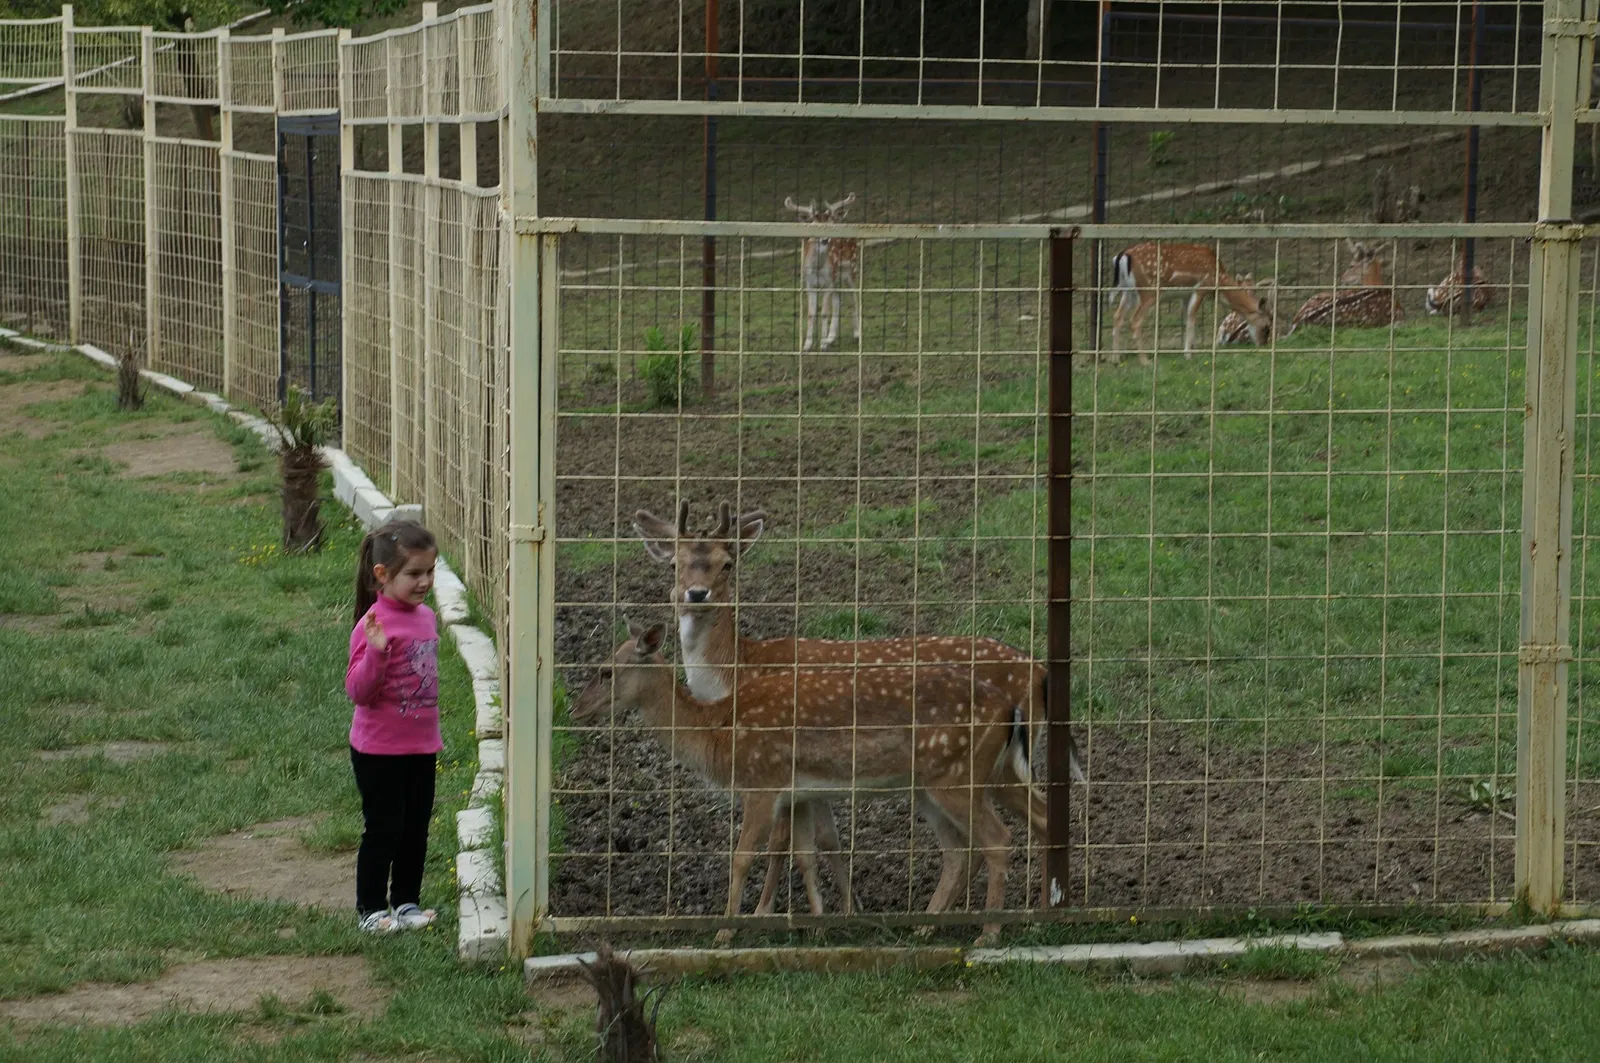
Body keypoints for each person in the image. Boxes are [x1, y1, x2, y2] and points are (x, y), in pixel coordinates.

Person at [345, 519, 443, 933]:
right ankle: (371, 909)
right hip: (378, 751)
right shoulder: (372, 625)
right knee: (384, 828)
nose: (424, 582)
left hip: (421, 747)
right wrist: (378, 653)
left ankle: (406, 903)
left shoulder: (427, 618)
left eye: (430, 571)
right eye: (414, 573)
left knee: (415, 828)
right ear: (382, 575)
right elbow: (359, 691)